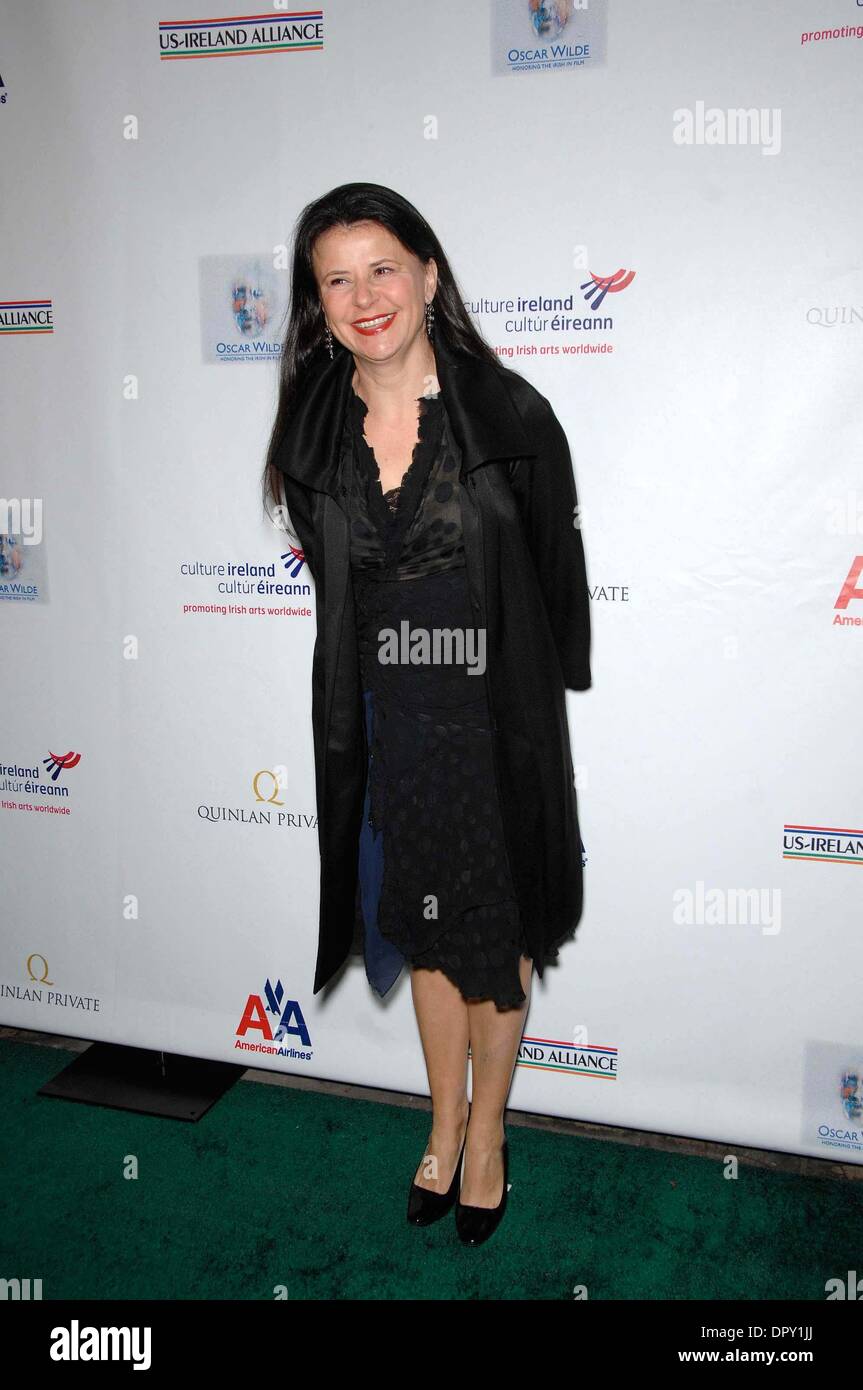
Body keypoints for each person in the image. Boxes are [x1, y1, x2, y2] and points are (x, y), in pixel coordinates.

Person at [263, 183, 591, 1246]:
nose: (364, 296)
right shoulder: (311, 427)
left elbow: (552, 569)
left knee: (499, 940)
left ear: (428, 275)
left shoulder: (512, 413)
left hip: (494, 725)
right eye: (336, 279)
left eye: (383, 268)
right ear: (317, 305)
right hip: (387, 725)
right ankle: (439, 1124)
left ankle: (488, 1134)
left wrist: (543, 686)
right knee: (429, 934)